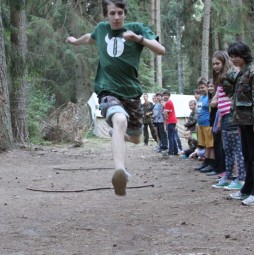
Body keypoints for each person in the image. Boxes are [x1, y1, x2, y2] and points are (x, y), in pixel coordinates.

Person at [66, 0, 165, 196]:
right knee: (119, 119)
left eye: (120, 13)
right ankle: (120, 170)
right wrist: (76, 41)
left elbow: (161, 50)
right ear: (106, 15)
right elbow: (90, 37)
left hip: (132, 91)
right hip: (107, 89)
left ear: (125, 14)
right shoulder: (102, 29)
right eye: (112, 13)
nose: (116, 17)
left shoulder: (136, 29)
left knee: (136, 138)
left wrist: (139, 39)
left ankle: (116, 134)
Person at [227, 42, 254, 205]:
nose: (233, 59)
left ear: (244, 55)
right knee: (248, 156)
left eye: (236, 56)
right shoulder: (242, 72)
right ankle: (247, 190)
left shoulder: (253, 73)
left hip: (253, 121)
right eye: (231, 57)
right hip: (243, 120)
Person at [210, 51, 245, 190]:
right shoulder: (220, 79)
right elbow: (213, 102)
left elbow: (238, 93)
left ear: (224, 62)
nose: (215, 66)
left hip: (233, 116)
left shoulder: (232, 75)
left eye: (217, 63)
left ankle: (241, 179)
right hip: (224, 117)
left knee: (237, 149)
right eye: (213, 64)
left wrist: (229, 103)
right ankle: (228, 176)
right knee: (228, 149)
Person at [195, 79, 216, 174]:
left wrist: (211, 124)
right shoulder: (200, 98)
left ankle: (211, 163)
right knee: (204, 145)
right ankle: (206, 162)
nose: (201, 89)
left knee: (210, 145)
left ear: (207, 87)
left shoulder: (209, 97)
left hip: (208, 124)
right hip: (201, 124)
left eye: (203, 87)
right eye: (199, 88)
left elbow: (211, 112)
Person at [208, 79, 226, 177]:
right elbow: (212, 105)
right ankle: (217, 167)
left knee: (220, 146)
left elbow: (216, 106)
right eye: (209, 86)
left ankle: (221, 169)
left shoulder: (222, 94)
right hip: (213, 122)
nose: (210, 88)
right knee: (216, 145)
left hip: (220, 121)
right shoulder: (211, 96)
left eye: (212, 86)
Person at [163, 90, 178, 155]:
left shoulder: (168, 103)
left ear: (169, 96)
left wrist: (163, 112)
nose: (165, 96)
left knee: (170, 137)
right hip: (173, 120)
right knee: (172, 136)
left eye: (166, 95)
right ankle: (175, 151)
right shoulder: (169, 102)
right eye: (164, 95)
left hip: (170, 121)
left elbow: (165, 113)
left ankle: (171, 151)